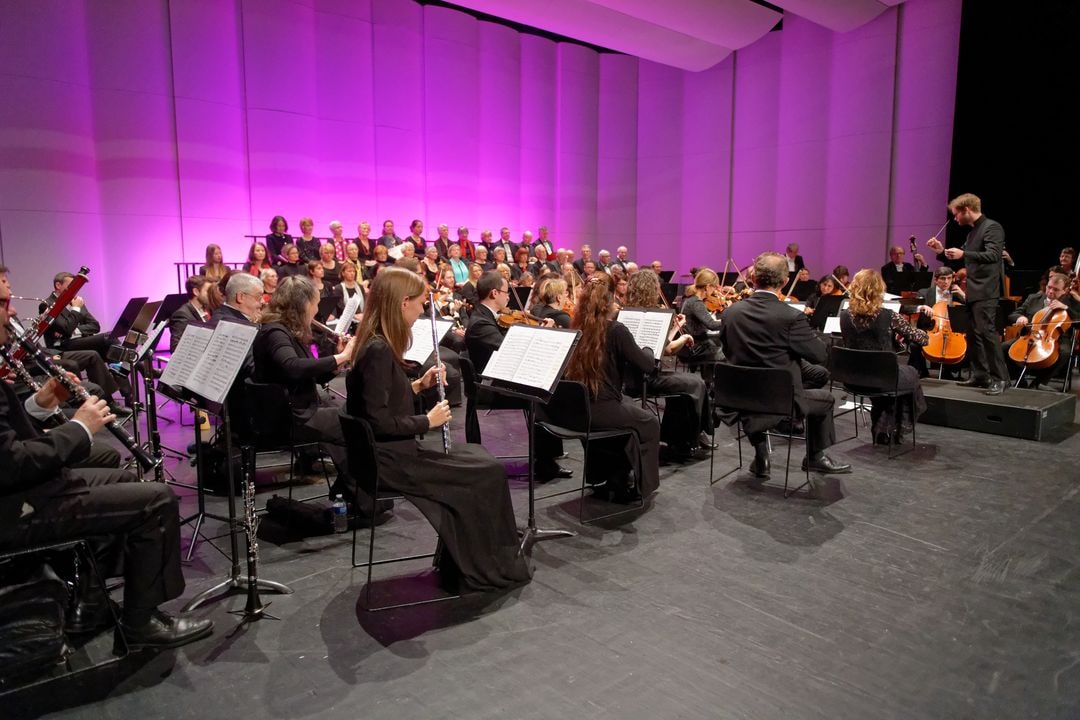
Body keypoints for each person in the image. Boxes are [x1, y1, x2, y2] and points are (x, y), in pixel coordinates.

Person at [0, 302, 213, 649]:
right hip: (16, 507)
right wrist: (80, 428)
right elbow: (10, 464)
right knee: (157, 499)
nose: (11, 315)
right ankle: (139, 623)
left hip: (24, 491)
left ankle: (92, 601)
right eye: (3, 304)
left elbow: (12, 437)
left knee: (127, 481)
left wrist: (42, 403)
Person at [345, 269, 530, 592]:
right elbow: (376, 422)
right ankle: (487, 563)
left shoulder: (376, 344)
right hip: (391, 461)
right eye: (419, 304)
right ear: (403, 303)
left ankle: (474, 555)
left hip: (392, 452)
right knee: (486, 472)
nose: (421, 312)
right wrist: (426, 422)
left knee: (479, 461)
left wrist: (417, 385)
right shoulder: (377, 350)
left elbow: (383, 402)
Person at [252, 276, 382, 518]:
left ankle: (354, 494)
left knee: (347, 419)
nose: (316, 309)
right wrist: (342, 358)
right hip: (287, 417)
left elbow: (307, 376)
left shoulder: (284, 330)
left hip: (296, 408)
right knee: (355, 425)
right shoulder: (275, 332)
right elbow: (292, 367)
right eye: (314, 303)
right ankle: (364, 498)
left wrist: (335, 362)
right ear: (301, 305)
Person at [718, 252, 851, 477]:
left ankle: (762, 456)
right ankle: (815, 457)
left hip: (738, 397)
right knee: (826, 399)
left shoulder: (731, 313)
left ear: (753, 279)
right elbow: (819, 354)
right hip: (778, 399)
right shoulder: (790, 317)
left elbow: (728, 351)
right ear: (785, 282)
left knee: (762, 395)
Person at [563, 274, 662, 501]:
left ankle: (612, 475)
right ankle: (641, 486)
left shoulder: (575, 327)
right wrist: (647, 348)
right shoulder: (616, 330)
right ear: (609, 304)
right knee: (649, 423)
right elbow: (646, 365)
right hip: (600, 409)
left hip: (576, 409)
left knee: (626, 417)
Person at [464, 271, 568, 479]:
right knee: (542, 393)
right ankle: (545, 463)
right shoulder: (480, 323)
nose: (509, 297)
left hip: (496, 379)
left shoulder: (487, 317)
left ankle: (547, 456)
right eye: (506, 292)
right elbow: (509, 349)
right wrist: (542, 333)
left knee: (547, 386)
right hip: (491, 387)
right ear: (494, 293)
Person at [626, 269, 714, 460]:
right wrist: (685, 338)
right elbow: (667, 350)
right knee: (695, 383)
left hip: (628, 378)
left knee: (685, 385)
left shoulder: (626, 313)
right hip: (647, 377)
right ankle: (693, 436)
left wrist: (675, 327)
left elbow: (659, 345)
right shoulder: (653, 314)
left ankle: (679, 438)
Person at [927, 193, 1010, 395]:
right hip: (972, 290)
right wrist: (941, 251)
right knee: (973, 334)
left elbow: (993, 255)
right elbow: (961, 259)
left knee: (987, 333)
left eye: (956, 215)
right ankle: (981, 375)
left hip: (986, 290)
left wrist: (964, 254)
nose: (955, 218)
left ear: (966, 210)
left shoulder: (992, 227)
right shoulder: (972, 233)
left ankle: (1001, 378)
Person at [840, 269, 928, 444]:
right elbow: (921, 339)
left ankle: (885, 428)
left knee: (895, 380)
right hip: (882, 377)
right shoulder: (889, 315)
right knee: (911, 373)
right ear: (878, 291)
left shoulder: (844, 315)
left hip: (853, 377)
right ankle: (899, 424)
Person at [1002, 272, 1080, 389]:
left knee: (1064, 353)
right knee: (1002, 348)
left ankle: (1040, 383)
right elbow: (1014, 314)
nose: (1050, 291)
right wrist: (1020, 317)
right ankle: (1018, 378)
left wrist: (1066, 308)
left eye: (1056, 289)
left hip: (1057, 338)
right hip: (1030, 335)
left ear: (1065, 291)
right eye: (1049, 287)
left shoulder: (1071, 302)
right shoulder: (1034, 298)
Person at [169, 274, 212, 353]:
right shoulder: (182, 314)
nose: (211, 295)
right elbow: (175, 347)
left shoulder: (208, 309)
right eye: (208, 291)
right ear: (196, 292)